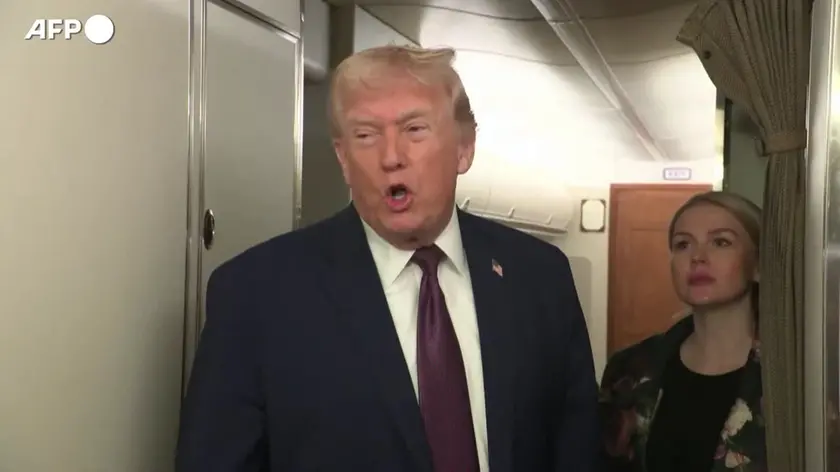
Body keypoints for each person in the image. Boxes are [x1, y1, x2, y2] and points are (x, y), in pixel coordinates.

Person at [175, 45, 600, 472]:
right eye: (366, 135)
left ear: (464, 147)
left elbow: (577, 451)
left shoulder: (540, 279)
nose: (391, 157)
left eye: (414, 129)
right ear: (343, 159)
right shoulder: (257, 296)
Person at [599, 191, 766, 472]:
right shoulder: (629, 368)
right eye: (683, 244)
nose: (698, 257)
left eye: (721, 242)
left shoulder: (794, 375)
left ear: (758, 265)